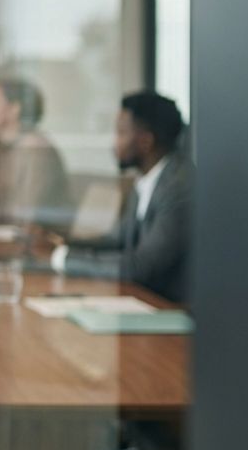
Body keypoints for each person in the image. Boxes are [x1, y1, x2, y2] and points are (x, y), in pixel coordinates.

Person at [53, 91, 193, 304]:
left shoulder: (179, 188)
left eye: (121, 133)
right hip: (143, 303)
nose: (114, 143)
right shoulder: (147, 179)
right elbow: (117, 239)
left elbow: (138, 267)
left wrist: (64, 259)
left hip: (173, 313)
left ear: (146, 141)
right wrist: (61, 244)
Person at [0, 78, 70, 225]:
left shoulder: (38, 151)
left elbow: (27, 216)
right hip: (3, 235)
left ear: (14, 109)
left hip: (36, 240)